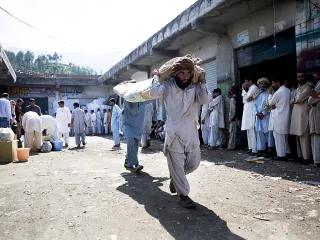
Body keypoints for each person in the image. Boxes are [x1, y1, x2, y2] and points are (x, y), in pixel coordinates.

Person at [150, 63, 209, 209]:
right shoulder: (168, 86)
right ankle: (183, 195)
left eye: (187, 73)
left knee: (194, 163)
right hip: (174, 134)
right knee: (176, 165)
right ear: (175, 74)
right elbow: (153, 93)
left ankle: (176, 179)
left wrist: (202, 81)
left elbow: (206, 100)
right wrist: (156, 76)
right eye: (181, 73)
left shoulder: (194, 88)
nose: (184, 76)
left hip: (191, 133)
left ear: (191, 74)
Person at [290, 72, 312, 164]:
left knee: (304, 136)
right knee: (298, 136)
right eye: (298, 77)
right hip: (296, 114)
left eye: (301, 77)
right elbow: (291, 100)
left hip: (303, 115)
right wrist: (295, 100)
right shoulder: (299, 88)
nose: (299, 78)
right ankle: (300, 156)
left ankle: (306, 158)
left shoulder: (308, 87)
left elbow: (299, 98)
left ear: (305, 77)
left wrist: (295, 100)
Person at [269, 78, 291, 161]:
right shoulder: (288, 90)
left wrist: (270, 94)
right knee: (284, 138)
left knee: (278, 138)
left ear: (278, 82)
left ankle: (281, 155)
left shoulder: (278, 92)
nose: (272, 85)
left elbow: (270, 103)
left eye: (273, 83)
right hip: (286, 116)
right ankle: (287, 152)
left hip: (278, 117)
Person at [122, 100, 145, 172]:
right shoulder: (127, 99)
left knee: (135, 145)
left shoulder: (141, 101)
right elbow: (133, 111)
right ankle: (136, 164)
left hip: (137, 126)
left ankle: (128, 161)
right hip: (128, 125)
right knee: (131, 143)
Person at [241, 78, 259, 155]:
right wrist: (244, 89)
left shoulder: (254, 88)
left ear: (250, 81)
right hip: (247, 112)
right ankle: (250, 148)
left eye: (246, 81)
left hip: (251, 111)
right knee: (248, 130)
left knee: (252, 130)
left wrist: (244, 90)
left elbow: (247, 99)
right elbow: (244, 100)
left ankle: (254, 149)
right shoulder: (249, 89)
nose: (245, 83)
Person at [254, 77, 272, 157]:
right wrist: (257, 113)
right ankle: (261, 150)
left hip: (266, 116)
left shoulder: (269, 93)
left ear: (267, 85)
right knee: (259, 133)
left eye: (264, 83)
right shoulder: (256, 94)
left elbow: (269, 104)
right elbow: (253, 105)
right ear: (259, 85)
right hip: (258, 116)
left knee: (268, 133)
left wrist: (263, 113)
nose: (262, 85)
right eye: (261, 83)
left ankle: (270, 150)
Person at [308, 72, 320, 167]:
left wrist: (316, 95)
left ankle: (317, 161)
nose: (314, 76)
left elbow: (312, 99)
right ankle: (316, 161)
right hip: (314, 112)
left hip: (317, 112)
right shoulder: (317, 84)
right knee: (315, 137)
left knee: (316, 137)